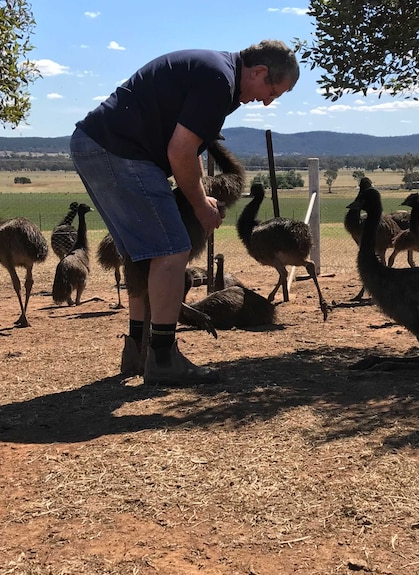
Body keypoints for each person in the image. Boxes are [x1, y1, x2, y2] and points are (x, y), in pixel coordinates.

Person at [70, 40, 299, 385]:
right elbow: (181, 152)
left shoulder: (214, 71)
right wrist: (200, 204)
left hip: (93, 145)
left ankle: (137, 348)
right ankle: (162, 358)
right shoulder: (219, 81)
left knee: (141, 254)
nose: (267, 102)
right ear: (259, 72)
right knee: (171, 250)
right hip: (119, 151)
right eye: (272, 92)